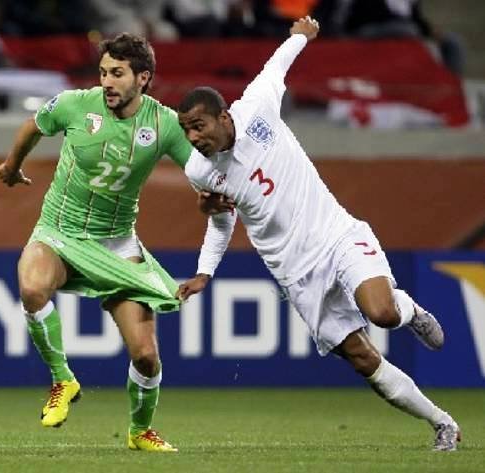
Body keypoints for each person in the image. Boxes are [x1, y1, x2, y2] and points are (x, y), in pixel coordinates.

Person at [176, 16, 461, 451]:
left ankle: (409, 310)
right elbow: (222, 218)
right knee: (363, 359)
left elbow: (275, 66)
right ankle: (443, 423)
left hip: (335, 236)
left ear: (223, 117)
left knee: (382, 312)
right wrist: (204, 271)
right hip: (295, 274)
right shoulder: (199, 170)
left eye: (199, 126)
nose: (193, 137)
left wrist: (300, 35)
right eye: (186, 130)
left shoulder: (257, 108)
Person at [0, 32, 205, 452]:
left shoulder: (164, 124)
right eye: (104, 72)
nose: (107, 82)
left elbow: (200, 169)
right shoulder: (75, 104)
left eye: (118, 74)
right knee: (32, 288)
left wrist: (209, 193)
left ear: (143, 78)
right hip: (60, 231)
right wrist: (11, 166)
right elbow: (33, 126)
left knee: (146, 356)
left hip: (117, 244)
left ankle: (140, 431)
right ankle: (63, 380)